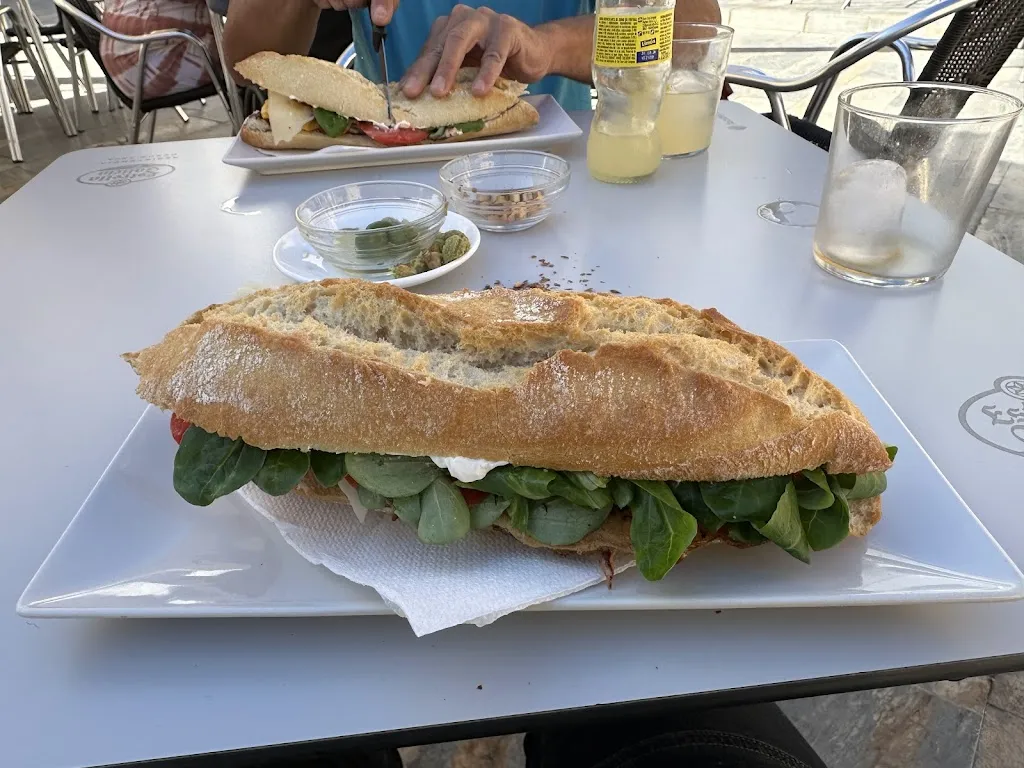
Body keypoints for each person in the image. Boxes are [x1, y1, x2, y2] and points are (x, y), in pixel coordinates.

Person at [223, 0, 722, 112]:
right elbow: (245, 61)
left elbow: (689, 38)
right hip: (385, 192)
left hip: (559, 184)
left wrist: (548, 47)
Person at [100, 0, 220, 101]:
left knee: (233, 38)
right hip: (140, 62)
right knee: (236, 57)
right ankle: (238, 119)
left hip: (124, 48)